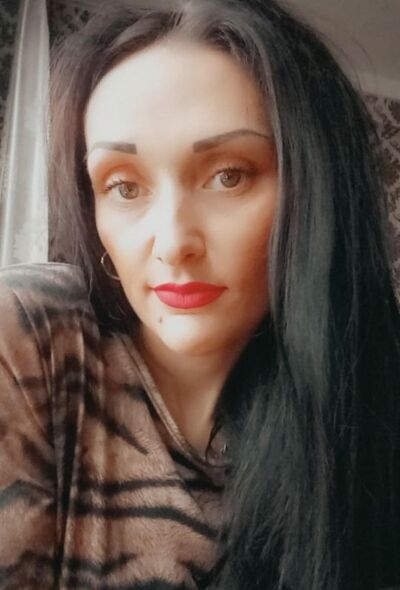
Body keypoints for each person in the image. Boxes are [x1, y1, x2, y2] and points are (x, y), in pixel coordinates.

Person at [0, 0, 399, 588]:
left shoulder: (369, 423)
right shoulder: (28, 343)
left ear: (315, 195)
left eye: (228, 175)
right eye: (124, 186)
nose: (172, 243)